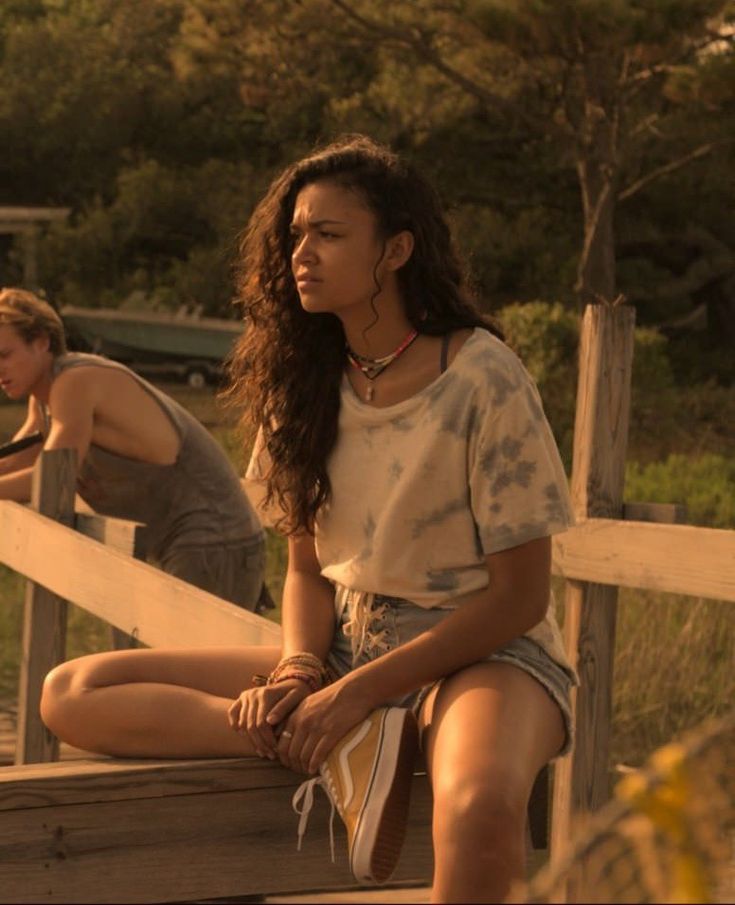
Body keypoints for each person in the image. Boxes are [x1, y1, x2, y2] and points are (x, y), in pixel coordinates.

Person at [39, 135, 578, 903]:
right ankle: (330, 741)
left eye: (328, 234)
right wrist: (297, 671)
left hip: (481, 655)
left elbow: (519, 598)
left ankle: (350, 726)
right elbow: (303, 567)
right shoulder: (304, 382)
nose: (302, 252)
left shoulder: (480, 374)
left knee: (478, 802)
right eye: (295, 234)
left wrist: (358, 690)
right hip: (343, 649)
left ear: (395, 249)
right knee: (72, 691)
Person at [0, 287, 266, 612]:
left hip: (214, 540)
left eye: (4, 355)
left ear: (41, 341)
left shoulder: (74, 383)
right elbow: (13, 461)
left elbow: (55, 477)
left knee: (187, 662)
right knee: (183, 661)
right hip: (191, 544)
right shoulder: (43, 400)